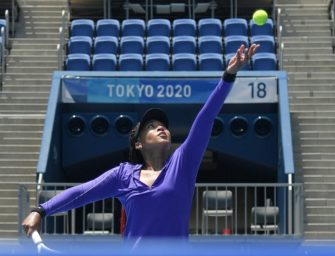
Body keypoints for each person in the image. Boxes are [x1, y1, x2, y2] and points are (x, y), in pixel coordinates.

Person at [22, 44, 259, 240]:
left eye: (163, 125)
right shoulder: (123, 175)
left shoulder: (182, 164)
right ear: (138, 144)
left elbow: (206, 117)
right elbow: (83, 192)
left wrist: (228, 76)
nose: (161, 128)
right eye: (151, 127)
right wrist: (40, 210)